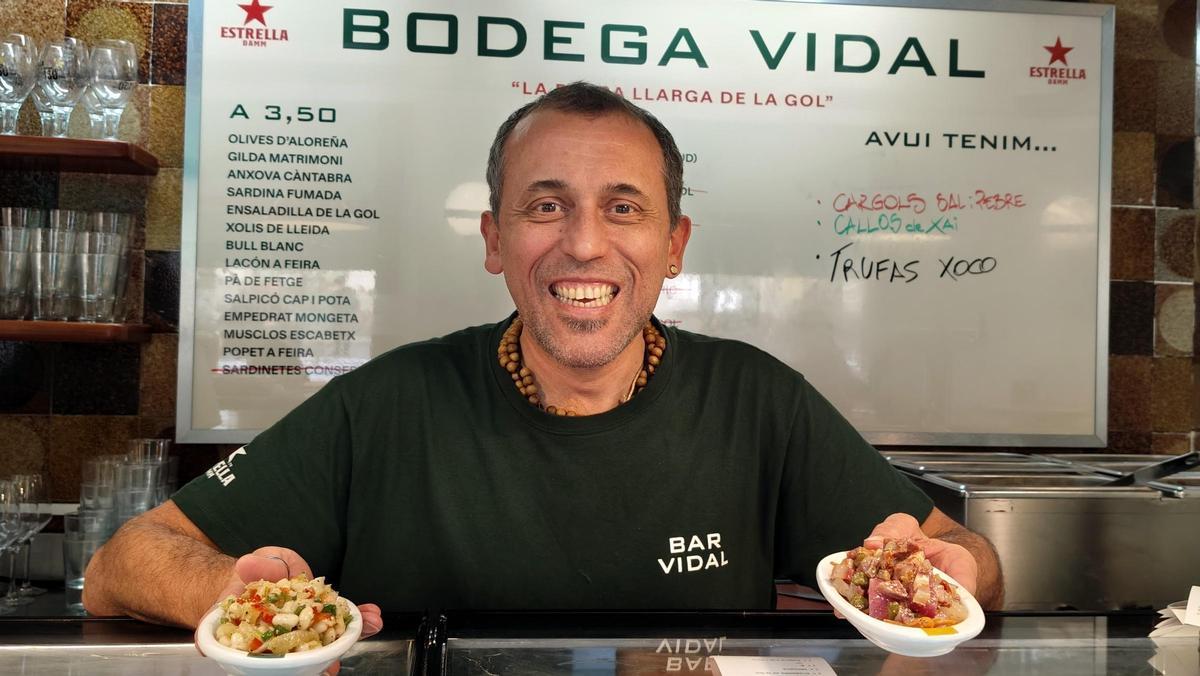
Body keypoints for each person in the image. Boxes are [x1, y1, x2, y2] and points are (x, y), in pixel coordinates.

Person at [83, 82, 1002, 630]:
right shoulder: (388, 402)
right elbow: (120, 563)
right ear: (495, 239)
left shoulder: (758, 401)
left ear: (674, 245)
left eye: (624, 208)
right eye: (546, 206)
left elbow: (966, 557)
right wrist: (233, 593)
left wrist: (953, 572)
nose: (585, 245)